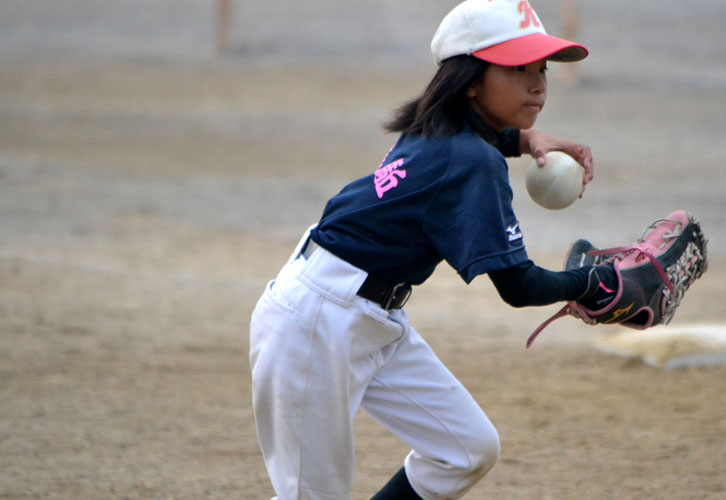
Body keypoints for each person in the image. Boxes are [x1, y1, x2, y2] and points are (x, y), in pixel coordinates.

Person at [248, 1, 619, 498]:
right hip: (317, 322)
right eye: (516, 67)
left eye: (541, 68)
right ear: (469, 80)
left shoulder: (433, 128)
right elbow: (518, 286)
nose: (537, 83)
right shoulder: (472, 161)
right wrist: (593, 283)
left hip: (368, 317)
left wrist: (524, 137)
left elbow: (466, 145)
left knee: (466, 450)